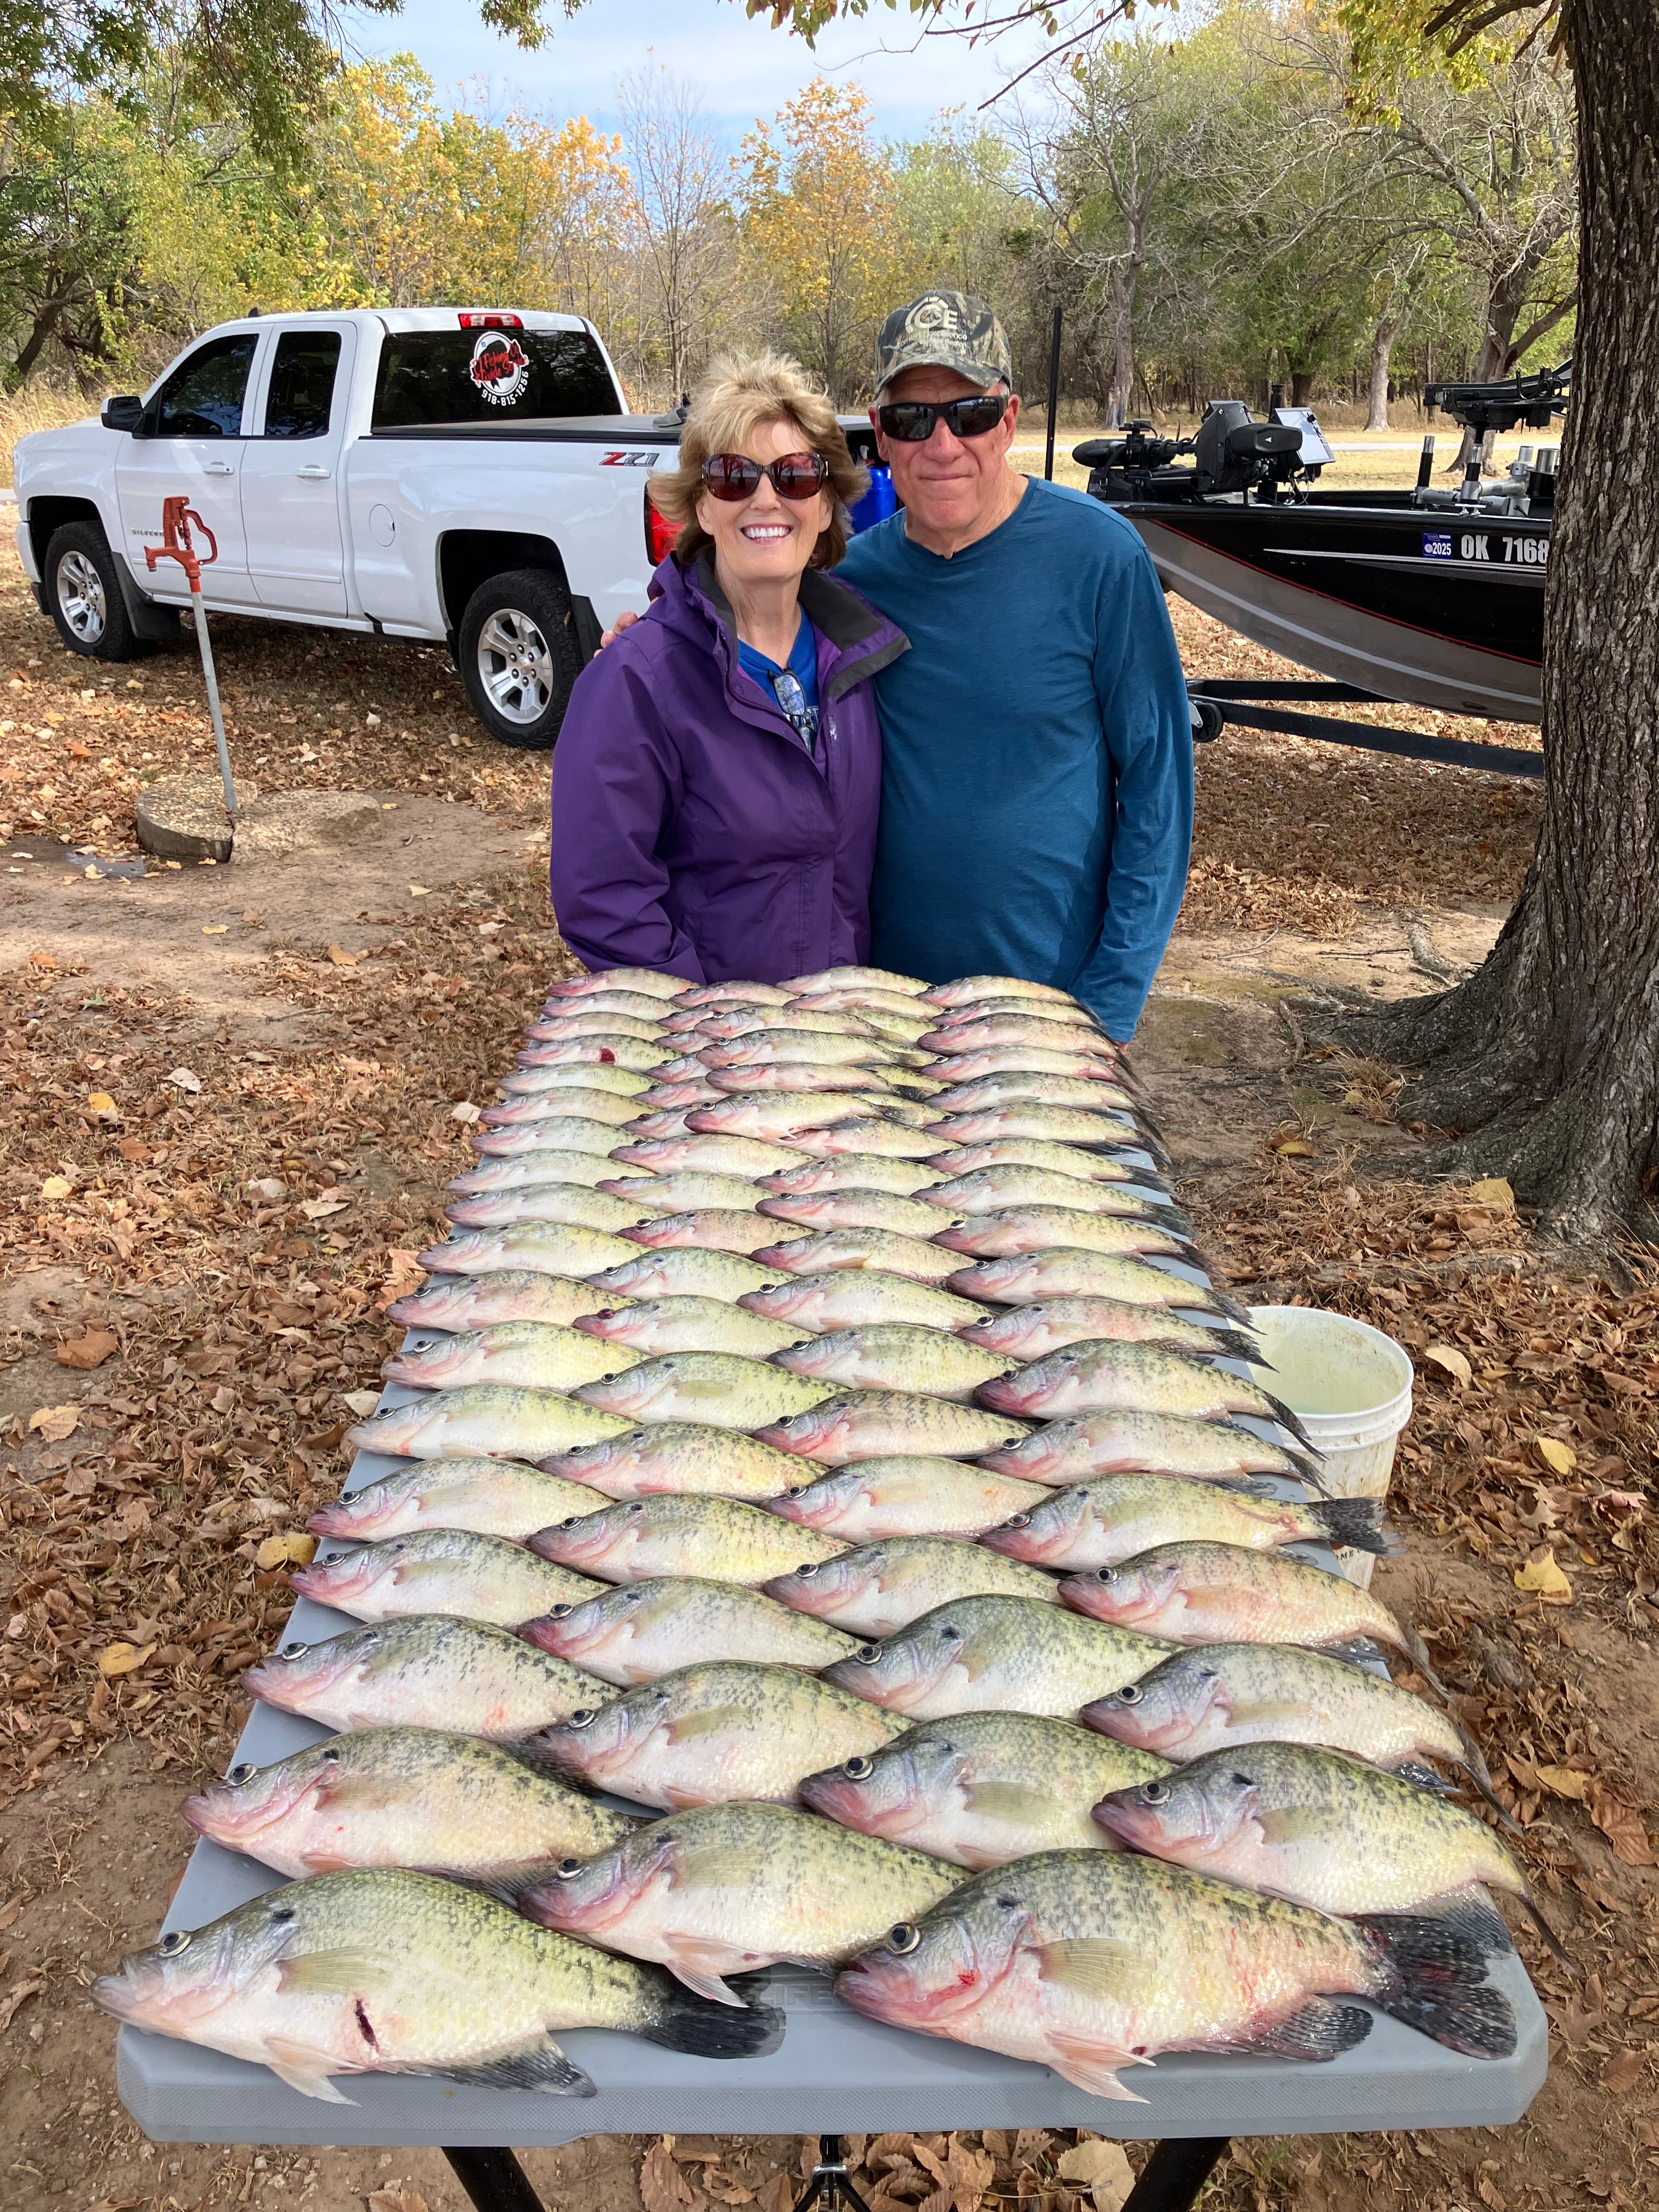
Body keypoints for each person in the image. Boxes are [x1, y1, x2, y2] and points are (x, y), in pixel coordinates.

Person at [836, 290, 1192, 1041]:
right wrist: (640, 641)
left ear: (1008, 418)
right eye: (911, 419)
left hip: (1053, 1010)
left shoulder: (1100, 557)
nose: (941, 446)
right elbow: (737, 661)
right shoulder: (849, 582)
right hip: (885, 1010)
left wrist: (1109, 1002)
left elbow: (1160, 785)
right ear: (880, 434)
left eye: (968, 415)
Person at [549, 352, 907, 985]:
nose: (766, 498)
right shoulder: (636, 680)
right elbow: (602, 897)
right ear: (702, 508)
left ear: (825, 506)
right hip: (716, 1057)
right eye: (735, 477)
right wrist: (715, 1031)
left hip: (837, 1038)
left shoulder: (861, 658)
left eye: (796, 475)